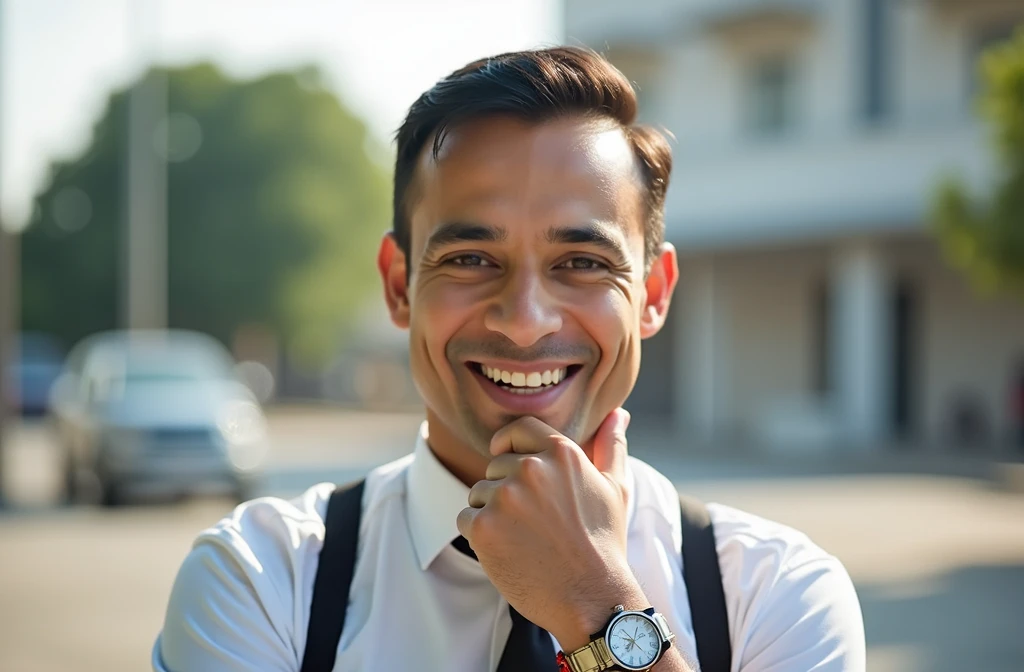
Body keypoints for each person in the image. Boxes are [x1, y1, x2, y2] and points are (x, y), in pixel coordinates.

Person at [153, 46, 865, 672]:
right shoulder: (263, 580)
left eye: (582, 262)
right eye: (470, 258)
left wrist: (596, 606)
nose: (525, 323)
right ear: (400, 285)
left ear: (651, 293)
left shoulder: (774, 594)